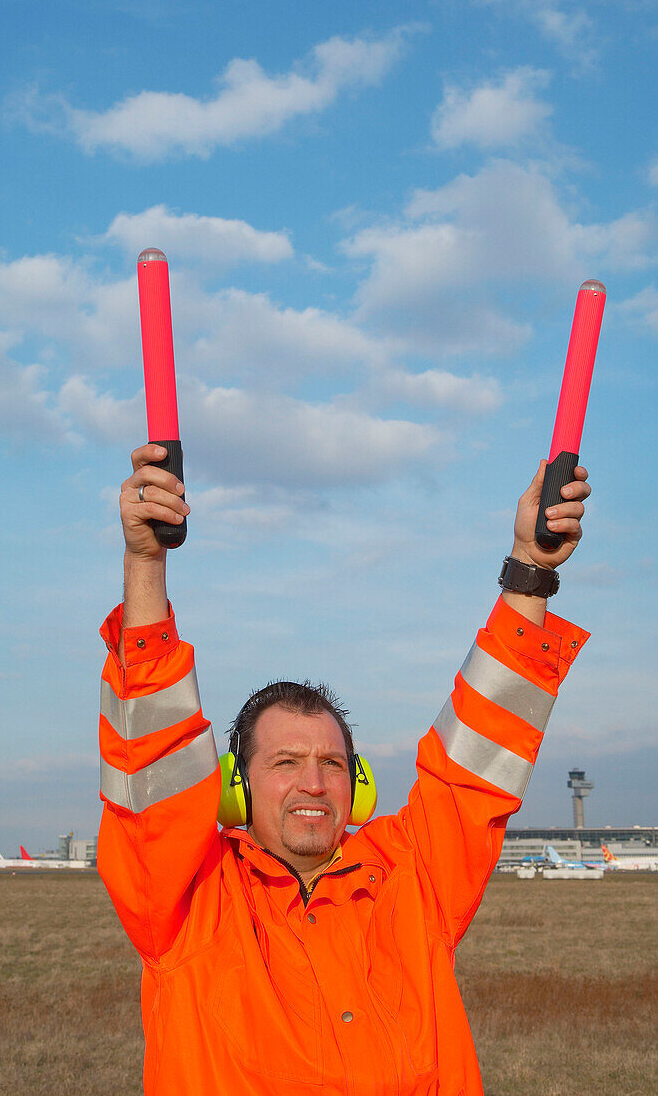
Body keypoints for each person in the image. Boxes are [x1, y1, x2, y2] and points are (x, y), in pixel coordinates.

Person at [97, 443, 591, 1096]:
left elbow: (476, 759)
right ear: (234, 788)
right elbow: (150, 761)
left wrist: (529, 568)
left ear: (358, 787)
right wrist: (145, 561)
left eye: (332, 762)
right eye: (285, 762)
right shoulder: (188, 907)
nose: (312, 782)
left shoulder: (413, 882)